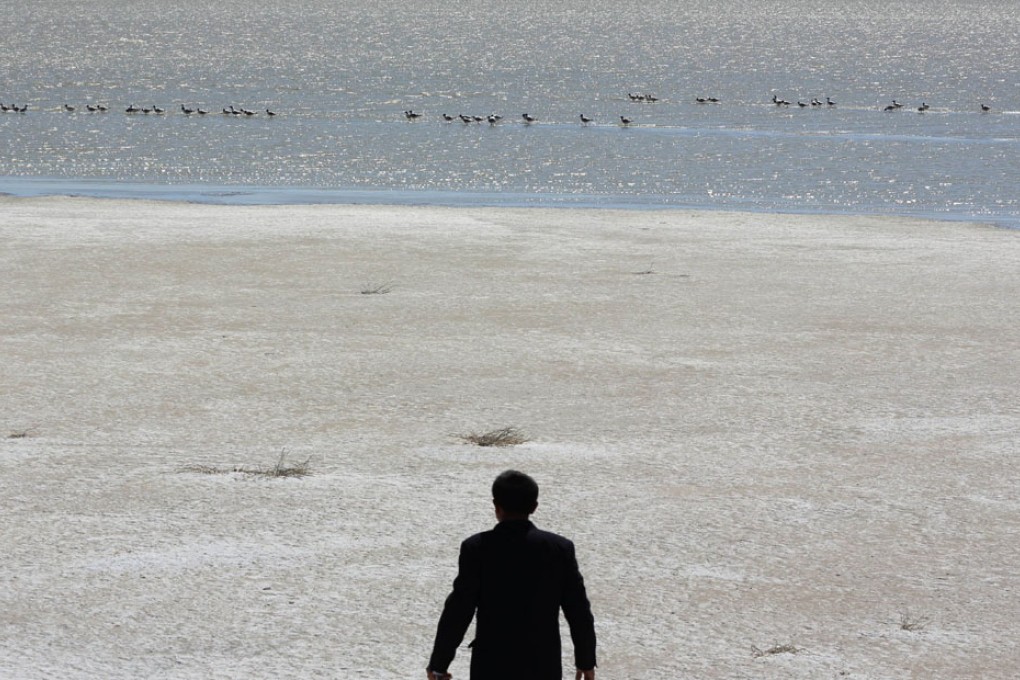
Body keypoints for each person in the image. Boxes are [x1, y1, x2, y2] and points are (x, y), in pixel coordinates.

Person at [426, 470, 597, 680]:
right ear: (534, 507)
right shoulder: (559, 549)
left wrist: (439, 665)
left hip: (491, 664)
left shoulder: (477, 548)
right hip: (542, 664)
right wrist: (586, 661)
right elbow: (578, 609)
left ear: (496, 507)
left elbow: (459, 610)